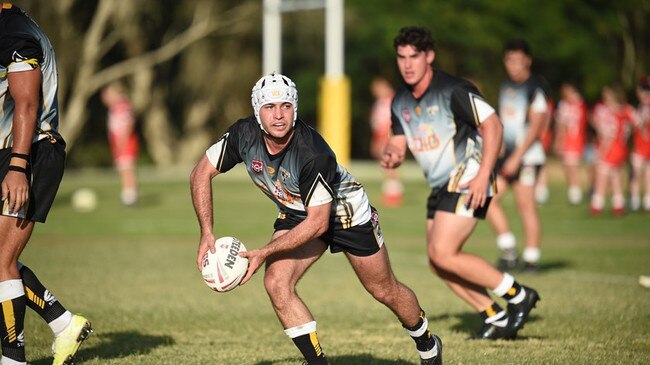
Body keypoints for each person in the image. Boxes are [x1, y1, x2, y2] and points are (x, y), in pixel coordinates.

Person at [190, 73, 442, 365]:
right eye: (269, 107)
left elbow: (319, 224)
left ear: (295, 108)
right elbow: (200, 173)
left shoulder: (312, 153)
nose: (279, 115)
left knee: (383, 289)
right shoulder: (243, 135)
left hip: (345, 213)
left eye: (286, 106)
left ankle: (426, 343)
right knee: (276, 282)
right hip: (297, 211)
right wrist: (206, 232)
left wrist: (264, 252)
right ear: (257, 111)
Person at [381, 26, 539, 340]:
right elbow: (398, 141)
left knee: (443, 253)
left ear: (429, 56)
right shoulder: (399, 101)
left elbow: (493, 125)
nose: (408, 64)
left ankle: (518, 295)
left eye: (415, 56)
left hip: (468, 177)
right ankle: (492, 314)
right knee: (439, 263)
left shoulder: (453, 89)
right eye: (402, 57)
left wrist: (483, 176)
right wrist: (392, 154)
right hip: (440, 186)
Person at [0, 4, 92, 365]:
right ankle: (64, 323)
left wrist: (19, 168)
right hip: (10, 153)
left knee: (1, 260)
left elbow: (27, 103)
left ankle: (13, 359)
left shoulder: (13, 31)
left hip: (29, 153)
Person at [486, 39, 551, 272]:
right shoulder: (506, 87)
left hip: (527, 158)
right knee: (487, 198)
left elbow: (536, 128)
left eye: (518, 60)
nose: (513, 65)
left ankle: (532, 258)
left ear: (528, 61)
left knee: (526, 206)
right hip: (508, 157)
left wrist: (517, 158)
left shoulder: (536, 87)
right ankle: (509, 249)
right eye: (509, 60)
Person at [589, 85, 635, 216]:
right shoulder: (625, 111)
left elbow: (609, 136)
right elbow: (633, 126)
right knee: (615, 176)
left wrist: (602, 151)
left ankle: (597, 205)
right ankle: (618, 205)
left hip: (612, 149)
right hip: (621, 148)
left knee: (602, 177)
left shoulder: (613, 114)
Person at [100, 81, 139, 206]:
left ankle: (130, 194)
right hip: (118, 140)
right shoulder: (115, 107)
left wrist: (123, 141)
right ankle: (127, 192)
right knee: (122, 167)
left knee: (127, 167)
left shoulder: (123, 105)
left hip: (125, 140)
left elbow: (128, 123)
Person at [369, 76, 403, 207]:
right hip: (381, 136)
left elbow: (390, 122)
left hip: (388, 137)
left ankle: (393, 194)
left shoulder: (391, 101)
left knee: (390, 166)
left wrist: (386, 138)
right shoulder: (381, 102)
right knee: (387, 166)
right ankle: (391, 192)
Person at [553, 82, 588, 205]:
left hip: (574, 139)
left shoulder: (578, 104)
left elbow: (564, 124)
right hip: (568, 139)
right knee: (567, 166)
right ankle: (573, 191)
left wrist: (558, 141)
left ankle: (576, 193)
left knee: (572, 166)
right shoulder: (565, 104)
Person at [629, 75, 650, 212]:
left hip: (645, 146)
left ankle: (645, 200)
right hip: (639, 145)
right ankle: (636, 200)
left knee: (646, 174)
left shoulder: (645, 107)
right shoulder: (641, 107)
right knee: (636, 173)